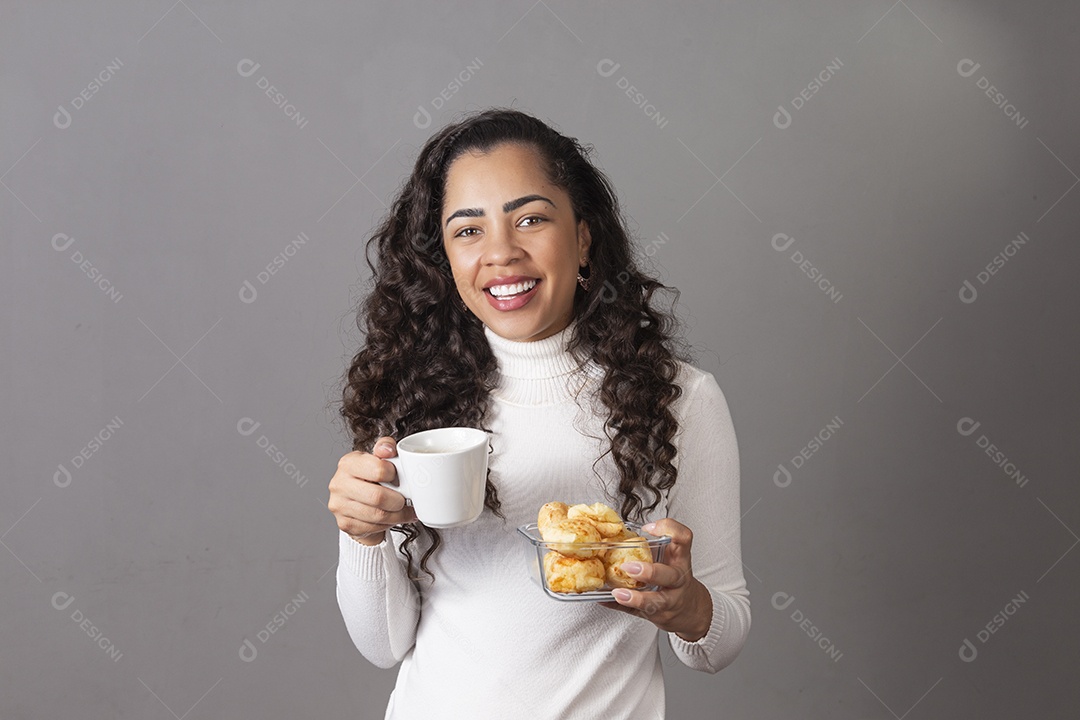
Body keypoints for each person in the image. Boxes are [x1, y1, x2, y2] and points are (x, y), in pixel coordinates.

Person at [327, 108, 749, 719]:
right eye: (468, 231)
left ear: (582, 236)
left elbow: (720, 640)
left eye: (530, 219)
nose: (501, 253)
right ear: (443, 260)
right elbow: (381, 646)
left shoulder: (679, 399)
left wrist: (683, 606)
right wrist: (360, 536)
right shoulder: (411, 403)